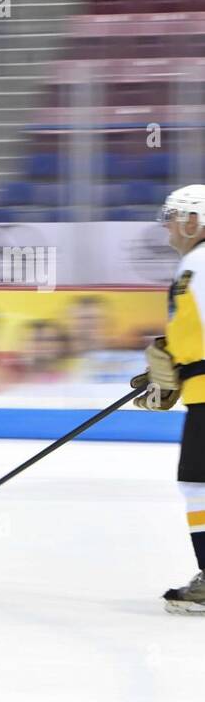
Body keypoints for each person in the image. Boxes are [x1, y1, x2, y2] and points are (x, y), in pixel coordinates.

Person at [134, 184, 205, 613]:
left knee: (196, 484)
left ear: (195, 220)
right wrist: (172, 362)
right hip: (200, 391)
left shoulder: (199, 264)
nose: (167, 227)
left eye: (174, 217)